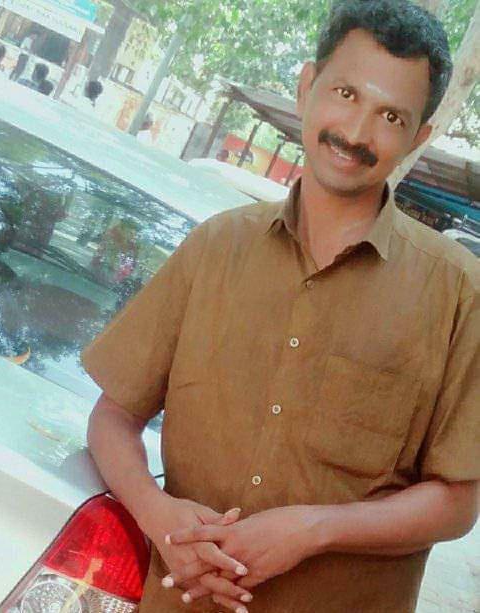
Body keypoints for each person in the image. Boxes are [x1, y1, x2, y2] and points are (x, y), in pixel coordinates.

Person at [81, 2, 479, 613]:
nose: (356, 132)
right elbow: (112, 418)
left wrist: (315, 530)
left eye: (391, 116)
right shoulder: (217, 248)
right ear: (305, 87)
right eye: (345, 93)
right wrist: (159, 515)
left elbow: (457, 501)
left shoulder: (457, 293)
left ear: (417, 138)